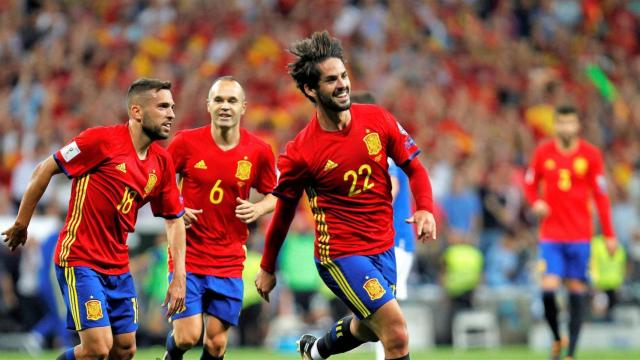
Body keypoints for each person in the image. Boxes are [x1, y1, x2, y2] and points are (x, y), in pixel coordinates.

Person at [255, 31, 436, 360]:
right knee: (396, 333)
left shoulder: (377, 119)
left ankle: (315, 351)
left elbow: (416, 168)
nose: (342, 85)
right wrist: (268, 267)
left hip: (384, 246)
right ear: (311, 89)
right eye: (330, 80)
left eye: (344, 76)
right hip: (340, 253)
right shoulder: (301, 152)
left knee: (370, 327)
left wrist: (425, 208)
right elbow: (282, 213)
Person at [2, 78, 187, 360]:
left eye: (172, 107)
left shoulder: (161, 163)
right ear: (137, 111)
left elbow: (174, 219)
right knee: (97, 348)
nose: (171, 114)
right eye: (162, 107)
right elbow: (44, 169)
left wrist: (179, 277)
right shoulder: (101, 140)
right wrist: (22, 223)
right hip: (80, 259)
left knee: (125, 349)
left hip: (119, 266)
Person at [164, 76, 277, 360]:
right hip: (187, 255)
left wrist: (259, 208)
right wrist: (177, 205)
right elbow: (159, 184)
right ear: (208, 106)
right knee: (188, 336)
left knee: (215, 344)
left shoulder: (258, 151)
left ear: (243, 108)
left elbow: (276, 196)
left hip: (228, 258)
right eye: (219, 100)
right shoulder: (185, 143)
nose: (225, 106)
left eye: (231, 101)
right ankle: (171, 356)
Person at [524, 105, 617, 360]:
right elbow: (529, 184)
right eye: (562, 123)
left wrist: (609, 234)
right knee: (548, 288)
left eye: (570, 123)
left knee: (577, 289)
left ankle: (571, 353)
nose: (566, 128)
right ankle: (556, 337)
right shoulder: (544, 152)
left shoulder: (591, 155)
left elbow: (601, 196)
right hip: (551, 235)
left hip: (579, 235)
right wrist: (535, 202)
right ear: (556, 126)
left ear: (578, 126)